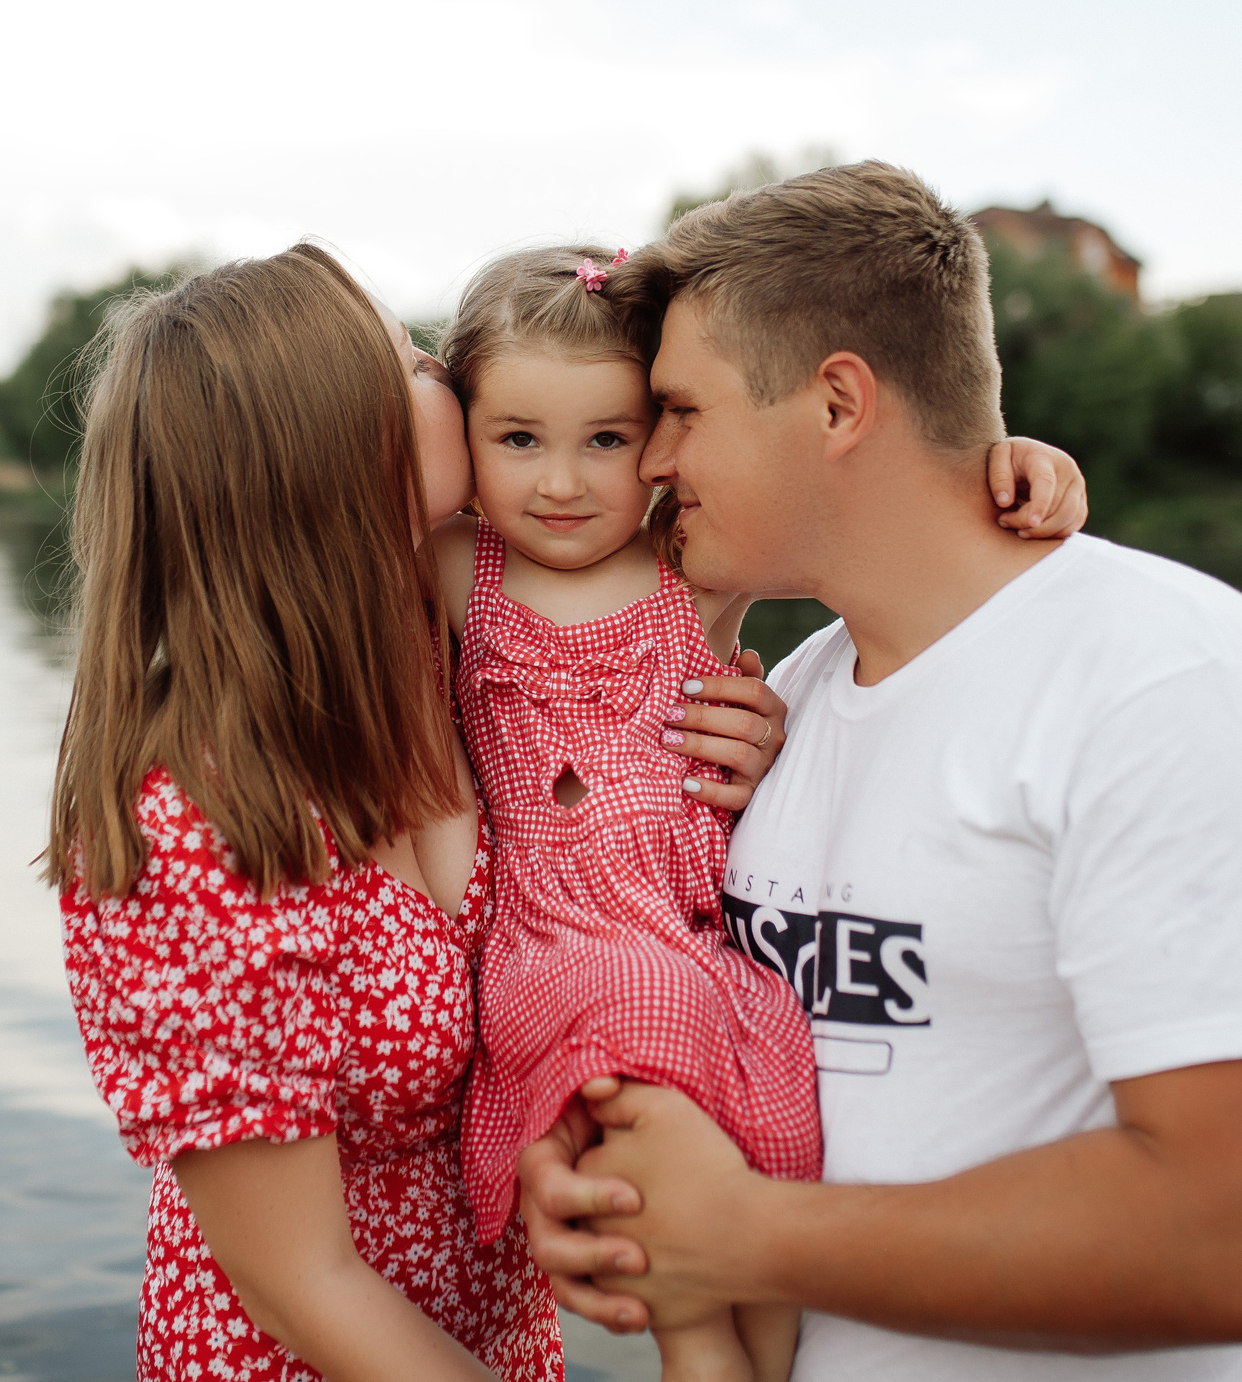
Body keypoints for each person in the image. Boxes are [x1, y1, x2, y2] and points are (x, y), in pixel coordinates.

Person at [518, 163, 1242, 1382]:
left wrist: (740, 1236)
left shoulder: (1174, 685)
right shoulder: (781, 701)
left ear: (837, 405)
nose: (649, 460)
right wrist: (600, 1166)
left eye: (681, 410)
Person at [49, 241, 786, 1381]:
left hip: (500, 1343)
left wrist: (739, 739)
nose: (444, 369)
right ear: (332, 445)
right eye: (408, 362)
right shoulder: (189, 818)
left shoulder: (446, 648)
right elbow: (298, 1282)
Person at [433, 244, 1092, 1382]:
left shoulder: (688, 561)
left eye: (607, 439)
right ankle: (695, 1341)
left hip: (691, 935)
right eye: (517, 439)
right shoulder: (457, 568)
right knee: (654, 1089)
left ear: (660, 437)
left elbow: (871, 489)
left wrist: (1018, 460)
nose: (562, 483)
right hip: (555, 939)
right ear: (463, 434)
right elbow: (357, 482)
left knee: (781, 1110)